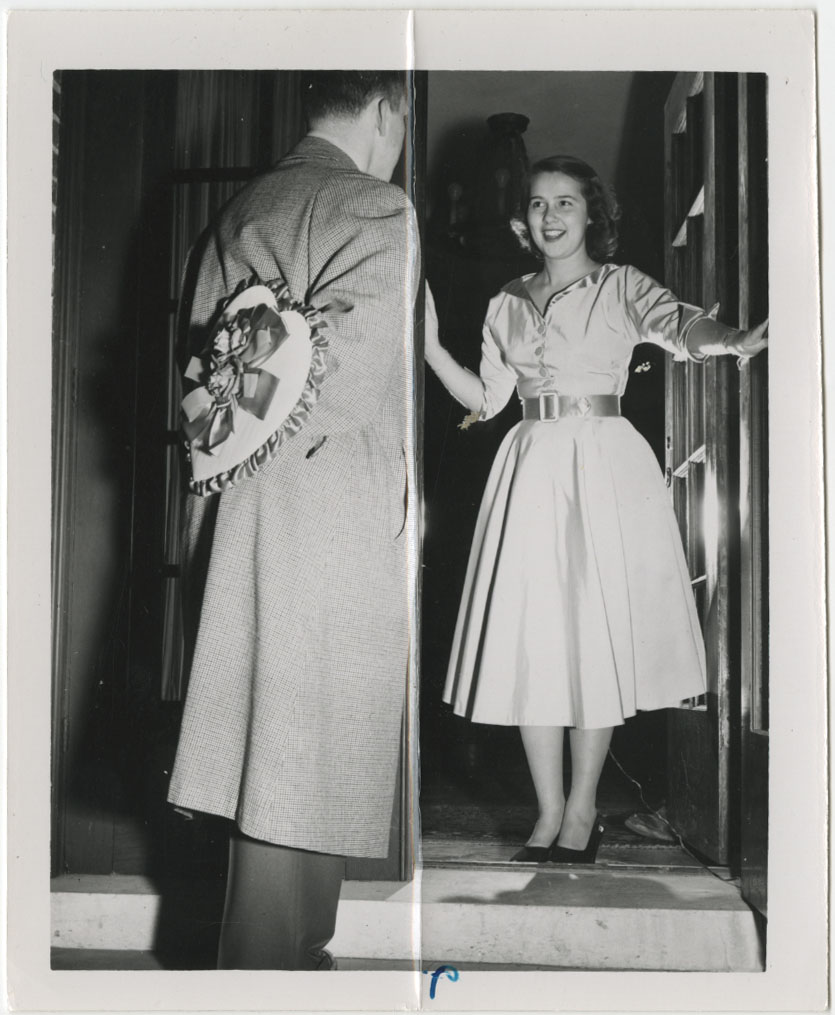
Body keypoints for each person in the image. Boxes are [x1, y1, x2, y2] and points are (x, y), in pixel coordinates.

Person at [424, 154, 767, 864]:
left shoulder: (618, 286)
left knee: (590, 639)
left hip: (602, 465)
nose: (551, 217)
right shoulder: (504, 302)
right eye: (539, 205)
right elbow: (485, 400)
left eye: (565, 204)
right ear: (524, 220)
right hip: (528, 467)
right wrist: (427, 345)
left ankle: (581, 810)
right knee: (535, 642)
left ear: (590, 216)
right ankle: (547, 811)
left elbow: (677, 325)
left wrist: (729, 340)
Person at [167, 71, 417, 968]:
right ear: (389, 112)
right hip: (332, 507)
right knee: (300, 744)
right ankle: (272, 967)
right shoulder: (375, 203)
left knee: (270, 733)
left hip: (239, 508)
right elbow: (349, 381)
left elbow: (208, 374)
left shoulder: (243, 206)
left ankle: (290, 960)